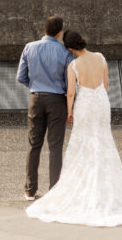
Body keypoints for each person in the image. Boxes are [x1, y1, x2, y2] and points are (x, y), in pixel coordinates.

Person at [25, 30, 122, 227]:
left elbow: (71, 92)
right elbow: (105, 84)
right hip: (101, 103)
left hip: (85, 105)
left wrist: (70, 112)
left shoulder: (73, 65)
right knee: (103, 141)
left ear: (70, 48)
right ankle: (107, 189)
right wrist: (98, 99)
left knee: (83, 144)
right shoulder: (100, 57)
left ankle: (85, 188)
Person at [17, 15, 73, 201]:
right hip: (57, 100)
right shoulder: (64, 52)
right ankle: (54, 190)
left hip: (36, 98)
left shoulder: (29, 47)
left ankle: (30, 190)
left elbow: (21, 77)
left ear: (45, 29)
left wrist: (35, 85)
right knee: (55, 146)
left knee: (34, 145)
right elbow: (69, 81)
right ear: (59, 33)